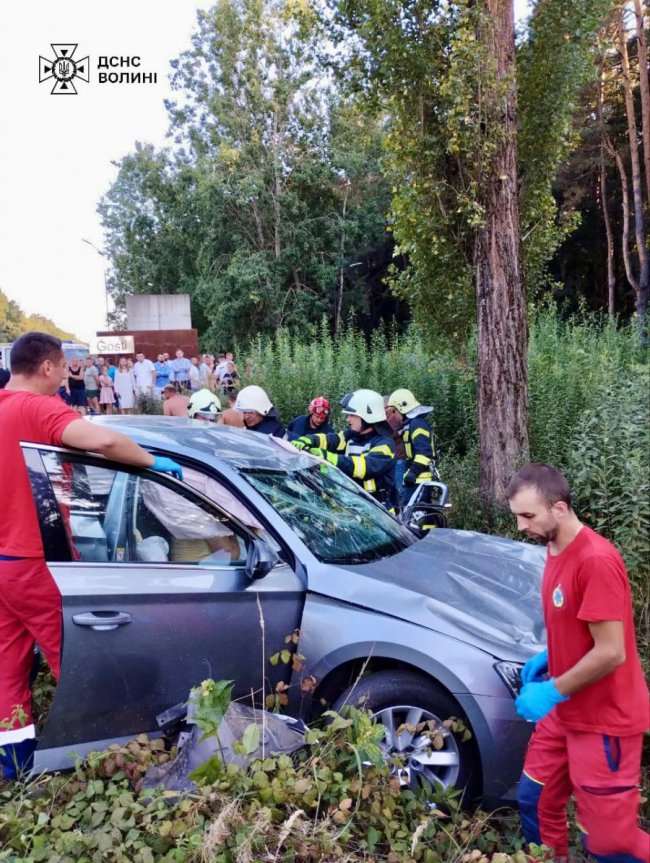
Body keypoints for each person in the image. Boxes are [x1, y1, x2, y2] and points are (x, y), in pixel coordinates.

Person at [0, 332, 182, 780]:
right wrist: (149, 462)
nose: (66, 375)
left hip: (3, 563)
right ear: (46, 366)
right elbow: (102, 442)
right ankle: (102, 754)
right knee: (80, 660)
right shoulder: (39, 408)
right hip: (35, 560)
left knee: (7, 666)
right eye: (63, 367)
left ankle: (13, 765)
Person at [507, 463, 649, 863]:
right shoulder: (554, 548)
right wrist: (552, 656)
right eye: (517, 515)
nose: (520, 526)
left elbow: (611, 651)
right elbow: (582, 626)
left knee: (609, 843)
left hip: (605, 720)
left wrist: (551, 689)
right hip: (565, 712)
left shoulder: (596, 560)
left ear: (561, 509)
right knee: (535, 802)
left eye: (528, 515)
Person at [292, 389, 396, 509]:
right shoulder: (351, 436)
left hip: (379, 511)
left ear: (368, 415)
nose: (348, 419)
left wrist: (330, 458)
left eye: (351, 415)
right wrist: (309, 440)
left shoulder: (385, 444)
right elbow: (332, 440)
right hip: (354, 505)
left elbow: (365, 467)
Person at [386, 389, 435, 507]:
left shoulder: (417, 424)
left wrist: (413, 473)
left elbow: (425, 452)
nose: (393, 415)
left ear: (401, 408)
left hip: (420, 480)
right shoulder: (410, 424)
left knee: (412, 515)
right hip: (416, 480)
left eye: (394, 411)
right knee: (418, 514)